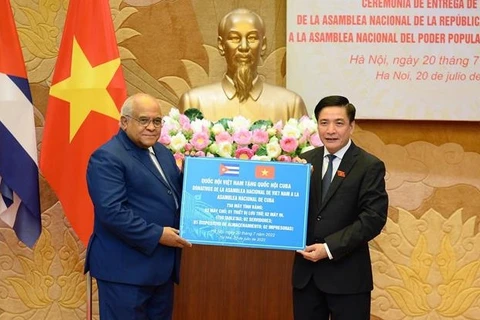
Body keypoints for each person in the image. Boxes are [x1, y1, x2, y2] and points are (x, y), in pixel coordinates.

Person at [84, 93, 192, 319]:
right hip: (125, 272)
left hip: (160, 270)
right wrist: (158, 235)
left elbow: (177, 194)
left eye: (157, 121)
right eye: (143, 120)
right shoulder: (107, 157)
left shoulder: (162, 152)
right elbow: (112, 213)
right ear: (124, 122)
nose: (152, 127)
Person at [293, 95, 388, 320]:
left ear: (352, 126)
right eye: (324, 123)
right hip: (306, 278)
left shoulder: (369, 166)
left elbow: (373, 218)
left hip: (348, 279)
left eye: (339, 123)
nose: (330, 130)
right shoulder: (305, 161)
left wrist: (328, 249)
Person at [178, 8, 308, 122]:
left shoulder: (290, 105)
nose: (244, 47)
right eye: (235, 38)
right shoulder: (194, 102)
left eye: (252, 38)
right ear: (221, 45)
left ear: (263, 45)